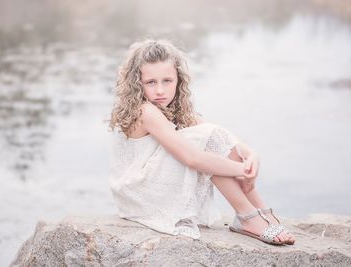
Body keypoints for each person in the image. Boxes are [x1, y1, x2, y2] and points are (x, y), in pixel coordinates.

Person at [108, 39, 295, 245]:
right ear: (137, 82)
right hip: (138, 194)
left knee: (212, 135)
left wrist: (252, 155)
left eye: (167, 81)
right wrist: (242, 169)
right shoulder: (146, 111)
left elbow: (222, 136)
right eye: (151, 82)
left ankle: (260, 212)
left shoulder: (173, 107)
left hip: (149, 186)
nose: (160, 90)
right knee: (205, 143)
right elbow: (193, 159)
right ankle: (247, 216)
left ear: (178, 79)